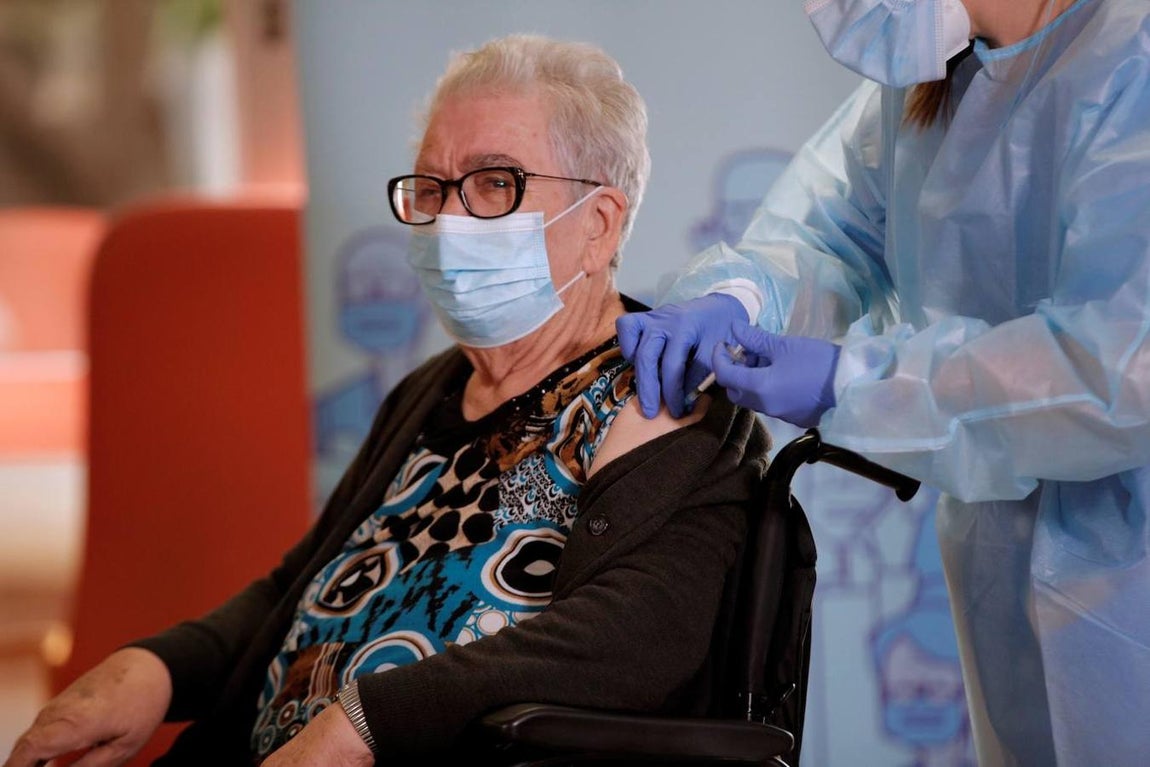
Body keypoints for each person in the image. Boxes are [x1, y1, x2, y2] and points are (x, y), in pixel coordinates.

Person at [6, 34, 770, 766]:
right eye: (432, 187)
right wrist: (154, 668)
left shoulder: (661, 393)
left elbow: (634, 639)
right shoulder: (435, 386)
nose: (449, 218)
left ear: (600, 226)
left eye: (495, 182)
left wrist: (369, 721)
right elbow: (298, 589)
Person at [616, 0, 1150, 764]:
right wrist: (733, 301)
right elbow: (820, 237)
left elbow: (1121, 366)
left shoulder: (1132, 62)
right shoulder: (929, 92)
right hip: (1007, 583)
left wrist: (854, 383)